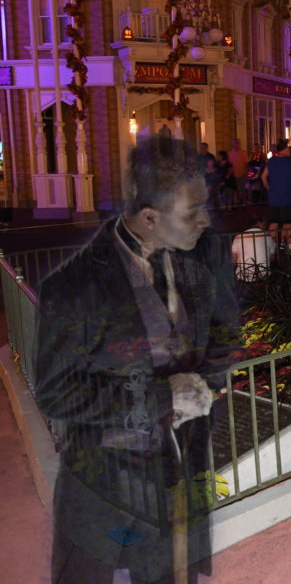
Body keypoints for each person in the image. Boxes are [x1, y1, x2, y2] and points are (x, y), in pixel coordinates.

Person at [34, 135, 239, 583]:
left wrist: (208, 381)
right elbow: (55, 392)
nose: (206, 220)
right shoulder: (74, 288)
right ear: (150, 217)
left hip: (180, 471)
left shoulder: (199, 261)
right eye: (192, 212)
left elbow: (224, 336)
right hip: (106, 479)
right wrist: (162, 396)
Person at [261, 139, 291, 249]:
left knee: (274, 222)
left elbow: (263, 176)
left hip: (273, 198)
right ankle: (290, 245)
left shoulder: (271, 161)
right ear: (286, 149)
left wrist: (268, 188)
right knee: (289, 222)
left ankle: (273, 246)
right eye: (289, 148)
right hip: (288, 197)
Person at [231, 213, 276, 281]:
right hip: (263, 276)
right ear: (260, 223)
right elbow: (272, 257)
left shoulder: (238, 237)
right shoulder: (267, 236)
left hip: (244, 277)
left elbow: (233, 260)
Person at [227, 138, 248, 205]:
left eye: (237, 143)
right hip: (233, 176)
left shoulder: (243, 153)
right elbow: (228, 165)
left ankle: (243, 202)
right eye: (235, 143)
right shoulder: (229, 153)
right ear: (232, 144)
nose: (236, 144)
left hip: (242, 175)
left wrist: (246, 173)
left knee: (243, 190)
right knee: (236, 190)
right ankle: (237, 202)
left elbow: (246, 163)